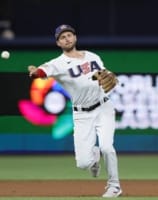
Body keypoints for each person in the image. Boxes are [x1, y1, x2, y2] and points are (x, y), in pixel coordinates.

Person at [28, 24, 122, 198]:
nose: (67, 39)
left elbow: (105, 73)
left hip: (104, 107)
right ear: (58, 43)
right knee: (83, 164)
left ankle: (114, 186)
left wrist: (112, 76)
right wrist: (35, 72)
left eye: (69, 35)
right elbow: (42, 71)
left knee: (107, 147)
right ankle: (94, 157)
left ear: (75, 37)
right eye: (62, 37)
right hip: (81, 114)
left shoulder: (93, 56)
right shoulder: (58, 63)